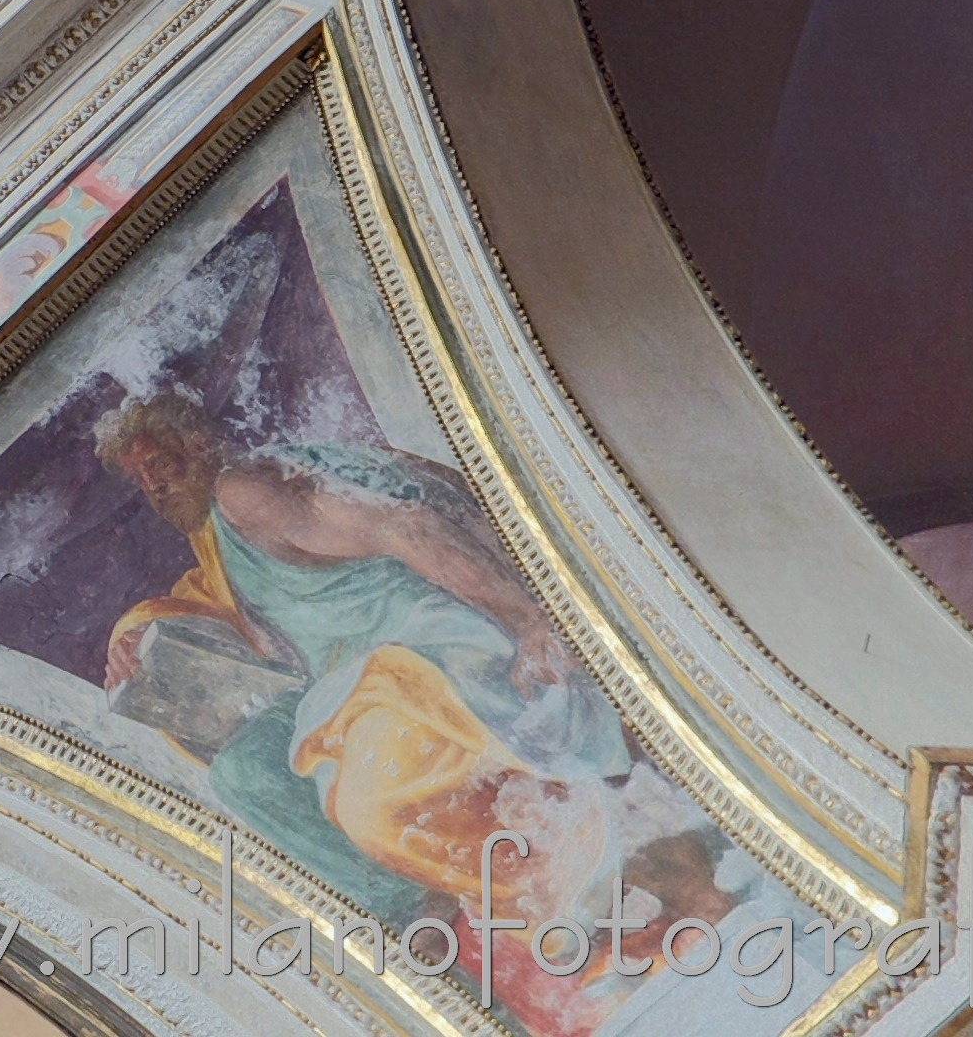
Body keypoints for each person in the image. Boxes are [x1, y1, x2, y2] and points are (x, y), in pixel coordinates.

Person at [94, 392, 628, 938]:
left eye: (159, 465)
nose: (155, 488)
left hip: (414, 647)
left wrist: (527, 620)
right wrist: (135, 636)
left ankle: (552, 878)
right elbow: (212, 606)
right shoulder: (215, 532)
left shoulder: (243, 492)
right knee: (242, 774)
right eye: (142, 480)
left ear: (199, 444)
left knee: (366, 805)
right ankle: (407, 908)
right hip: (340, 683)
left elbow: (404, 526)